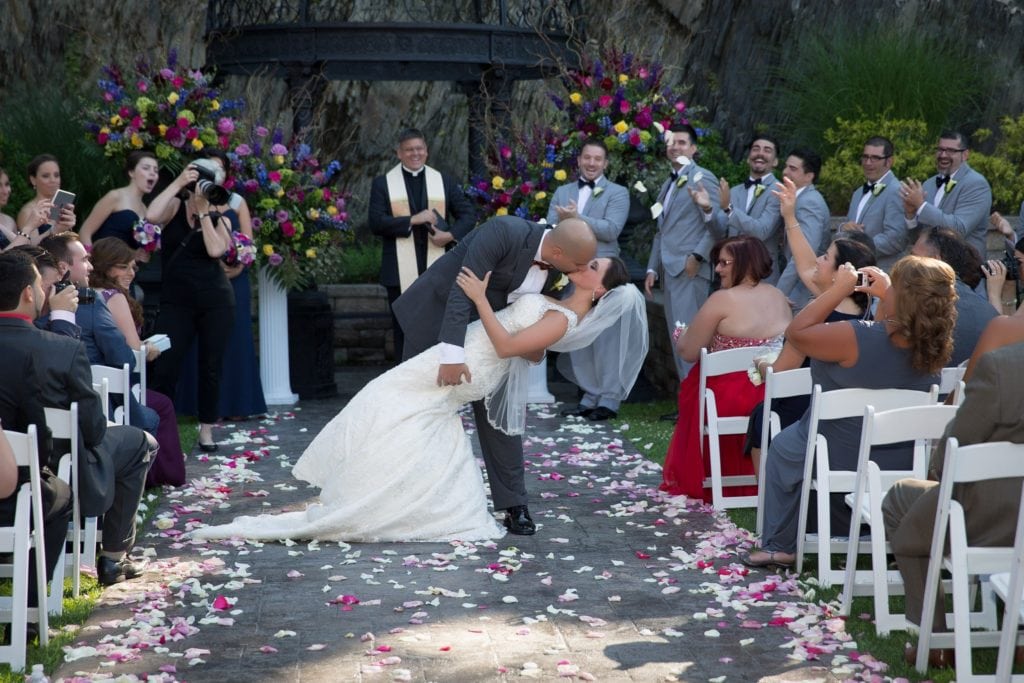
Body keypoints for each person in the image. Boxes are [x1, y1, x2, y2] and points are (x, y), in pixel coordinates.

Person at [191, 256, 645, 543]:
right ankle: (415, 498)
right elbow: (531, 347)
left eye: (593, 267)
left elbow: (509, 347)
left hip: (472, 364)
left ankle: (379, 498)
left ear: (600, 289)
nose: (585, 264)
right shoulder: (555, 302)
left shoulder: (564, 316)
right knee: (402, 411)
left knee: (384, 398)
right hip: (465, 356)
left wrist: (480, 300)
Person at [744, 256, 957, 569]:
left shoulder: (855, 335)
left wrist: (837, 289)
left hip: (836, 454)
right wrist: (888, 295)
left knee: (781, 449)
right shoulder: (935, 345)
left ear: (903, 295)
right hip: (904, 459)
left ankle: (780, 547)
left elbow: (798, 332)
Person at [394, 215, 599, 535]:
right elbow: (461, 291)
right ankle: (406, 497)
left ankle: (515, 505)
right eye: (579, 264)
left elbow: (540, 321)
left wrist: (534, 348)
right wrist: (452, 355)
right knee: (417, 412)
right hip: (437, 323)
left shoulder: (560, 271)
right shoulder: (503, 232)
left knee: (499, 418)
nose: (582, 270)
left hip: (492, 342)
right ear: (557, 253)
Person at [0, 250, 155, 586]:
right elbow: (93, 428)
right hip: (50, 470)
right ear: (29, 292)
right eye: (42, 284)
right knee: (140, 442)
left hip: (16, 466)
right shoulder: (61, 347)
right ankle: (114, 557)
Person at [881, 341, 1024, 667]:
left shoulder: (1003, 366)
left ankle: (935, 642)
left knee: (900, 500)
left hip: (985, 520)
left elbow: (951, 453)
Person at [742, 177, 877, 475]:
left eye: (826, 256)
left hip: (808, 411)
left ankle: (770, 502)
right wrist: (789, 216)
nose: (818, 259)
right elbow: (806, 266)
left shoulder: (818, 317)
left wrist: (762, 366)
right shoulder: (866, 311)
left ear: (840, 273)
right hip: (848, 411)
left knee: (762, 414)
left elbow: (779, 374)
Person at [658, 236, 792, 501]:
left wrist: (681, 335)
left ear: (744, 262)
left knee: (695, 382)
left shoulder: (722, 299)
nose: (717, 269)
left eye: (723, 263)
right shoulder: (779, 296)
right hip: (771, 395)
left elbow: (688, 352)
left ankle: (711, 476)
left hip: (727, 400)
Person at [173, 149, 266, 421]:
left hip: (233, 280)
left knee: (235, 341)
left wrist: (237, 266)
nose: (218, 173)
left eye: (222, 168)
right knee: (203, 342)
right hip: (201, 278)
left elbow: (247, 242)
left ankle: (238, 405)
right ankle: (200, 406)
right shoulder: (189, 201)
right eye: (212, 168)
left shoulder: (236, 202)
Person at [369, 128, 475, 360]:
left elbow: (468, 215)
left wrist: (449, 236)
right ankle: (404, 380)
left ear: (426, 152)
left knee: (439, 324)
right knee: (403, 328)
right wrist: (413, 219)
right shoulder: (383, 184)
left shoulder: (444, 181)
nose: (414, 154)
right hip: (399, 271)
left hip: (439, 267)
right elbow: (375, 223)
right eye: (409, 150)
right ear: (399, 153)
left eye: (419, 149)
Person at [90, 237, 186, 487]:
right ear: (107, 267)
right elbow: (133, 349)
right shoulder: (113, 296)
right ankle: (160, 475)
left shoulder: (87, 294)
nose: (131, 273)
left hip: (96, 381)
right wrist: (151, 347)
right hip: (118, 386)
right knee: (162, 405)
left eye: (133, 267)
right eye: (124, 267)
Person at [547, 137, 631, 420]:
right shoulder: (563, 191)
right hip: (572, 273)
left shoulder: (618, 193)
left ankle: (609, 400)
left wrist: (576, 218)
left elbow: (611, 230)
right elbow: (550, 227)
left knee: (607, 337)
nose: (592, 163)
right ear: (579, 160)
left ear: (605, 163)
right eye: (587, 157)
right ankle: (588, 394)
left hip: (604, 274)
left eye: (597, 159)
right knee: (579, 333)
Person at [645, 124, 721, 383]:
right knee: (679, 338)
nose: (675, 146)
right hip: (669, 272)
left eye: (681, 142)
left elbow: (717, 224)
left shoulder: (703, 177)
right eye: (671, 142)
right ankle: (687, 400)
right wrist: (652, 268)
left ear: (693, 148)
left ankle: (698, 401)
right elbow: (662, 231)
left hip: (690, 271)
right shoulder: (668, 183)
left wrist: (697, 256)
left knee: (693, 340)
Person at [697, 135, 784, 283]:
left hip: (761, 273)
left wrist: (729, 209)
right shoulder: (735, 191)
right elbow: (719, 232)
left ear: (775, 161)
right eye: (756, 149)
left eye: (767, 150)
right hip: (731, 273)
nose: (760, 153)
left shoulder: (779, 191)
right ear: (749, 157)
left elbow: (761, 231)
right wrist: (707, 209)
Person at [909, 227, 996, 364]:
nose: (907, 264)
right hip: (973, 383)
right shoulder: (990, 312)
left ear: (935, 261)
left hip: (924, 382)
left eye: (913, 258)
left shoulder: (916, 304)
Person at [900, 130, 993, 258]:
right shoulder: (929, 183)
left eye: (950, 151)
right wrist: (910, 215)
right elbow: (918, 238)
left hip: (964, 271)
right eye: (940, 149)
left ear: (965, 155)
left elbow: (959, 230)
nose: (943, 155)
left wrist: (921, 205)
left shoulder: (976, 184)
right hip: (930, 270)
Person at [774, 148, 831, 311]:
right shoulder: (800, 198)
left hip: (802, 290)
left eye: (793, 169)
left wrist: (779, 292)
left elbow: (803, 254)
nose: (785, 171)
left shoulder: (809, 202)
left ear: (809, 176)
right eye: (786, 166)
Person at [78, 150, 160, 262]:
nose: (152, 173)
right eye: (146, 168)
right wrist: (90, 263)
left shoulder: (145, 210)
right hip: (101, 266)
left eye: (156, 170)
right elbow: (85, 231)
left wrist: (139, 255)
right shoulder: (115, 196)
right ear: (131, 172)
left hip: (125, 272)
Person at [838, 136, 906, 271]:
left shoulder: (897, 191)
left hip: (881, 274)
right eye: (865, 157)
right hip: (855, 273)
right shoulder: (858, 193)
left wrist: (857, 247)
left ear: (889, 161)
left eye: (875, 158)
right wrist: (843, 227)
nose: (868, 163)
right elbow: (847, 228)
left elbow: (895, 239)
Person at [15, 154, 77, 245]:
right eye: (46, 176)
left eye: (56, 175)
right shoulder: (27, 212)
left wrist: (68, 225)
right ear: (33, 180)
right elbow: (31, 246)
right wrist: (54, 230)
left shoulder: (61, 207)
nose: (53, 180)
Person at [0, 167, 35, 252]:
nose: (5, 191)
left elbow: (28, 250)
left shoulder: (9, 220)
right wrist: (29, 227)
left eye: (7, 184)